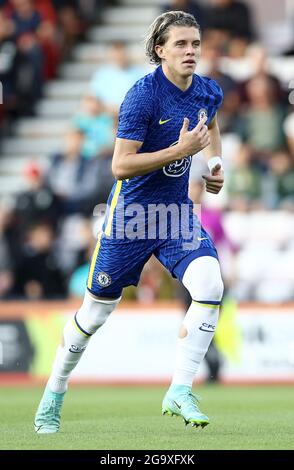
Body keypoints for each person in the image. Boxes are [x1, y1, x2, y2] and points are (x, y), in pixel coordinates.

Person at [34, 10, 224, 433]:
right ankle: (54, 391)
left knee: (210, 282)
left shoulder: (208, 90)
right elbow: (120, 166)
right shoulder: (142, 95)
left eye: (195, 43)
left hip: (175, 215)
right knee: (93, 317)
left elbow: (211, 122)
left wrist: (213, 162)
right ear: (160, 50)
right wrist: (179, 152)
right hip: (130, 220)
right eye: (181, 44)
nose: (191, 51)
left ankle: (179, 389)